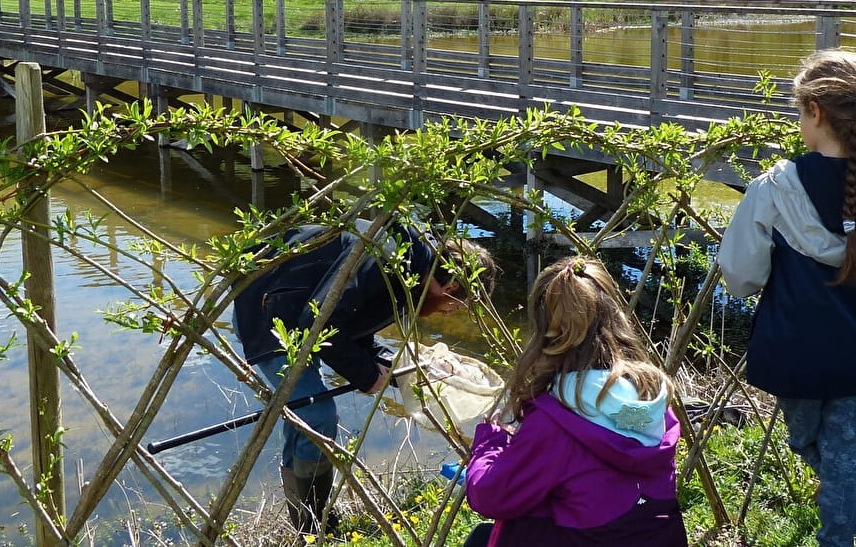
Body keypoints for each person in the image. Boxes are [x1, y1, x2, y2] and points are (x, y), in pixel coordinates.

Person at [718, 49, 856, 547]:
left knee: (807, 441)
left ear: (814, 112)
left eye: (798, 110)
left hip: (793, 352)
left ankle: (847, 536)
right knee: (845, 454)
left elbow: (741, 276)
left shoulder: (775, 188)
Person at [232, 222, 493, 534]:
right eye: (455, 307)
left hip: (301, 316)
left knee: (304, 417)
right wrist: (368, 376)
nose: (448, 314)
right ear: (449, 289)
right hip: (268, 312)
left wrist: (407, 370)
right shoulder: (387, 258)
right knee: (316, 415)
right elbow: (323, 318)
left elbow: (353, 327)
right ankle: (316, 525)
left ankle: (307, 523)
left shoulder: (409, 269)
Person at [463, 256, 687, 547]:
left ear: (545, 334)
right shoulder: (651, 400)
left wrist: (490, 443)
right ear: (616, 316)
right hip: (658, 536)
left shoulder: (557, 421)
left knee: (483, 539)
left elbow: (490, 496)